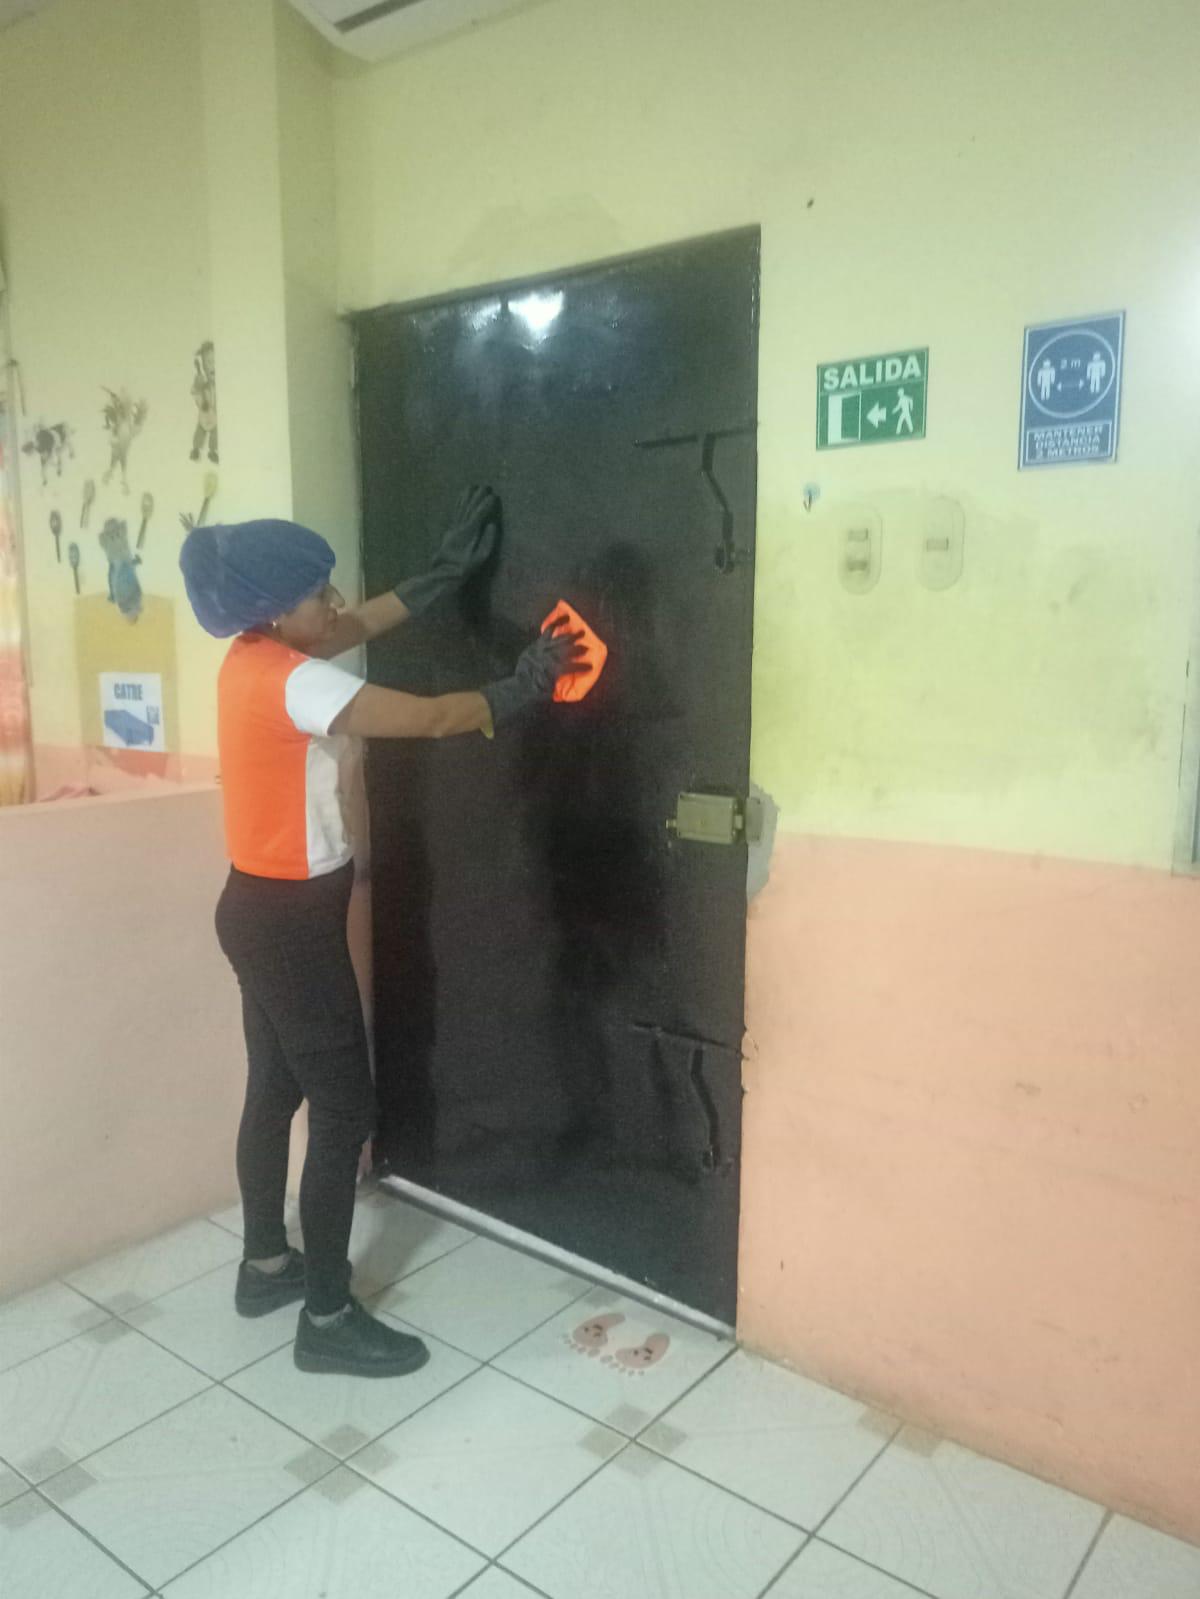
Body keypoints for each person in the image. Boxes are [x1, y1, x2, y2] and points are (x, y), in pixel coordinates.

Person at [180, 488, 583, 1378]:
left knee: (275, 1086)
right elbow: (430, 717)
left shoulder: (254, 656)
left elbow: (357, 621)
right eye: (317, 592)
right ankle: (326, 1317)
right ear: (275, 608)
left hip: (255, 909)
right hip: (290, 925)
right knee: (344, 1110)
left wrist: (441, 574)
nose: (334, 603)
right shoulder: (298, 681)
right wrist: (519, 688)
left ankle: (265, 1266)